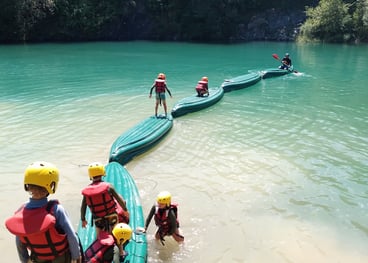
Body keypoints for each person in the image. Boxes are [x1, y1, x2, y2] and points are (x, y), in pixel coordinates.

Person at [5, 161, 82, 263]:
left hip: (38, 259)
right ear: (51, 185)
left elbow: (19, 242)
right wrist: (76, 256)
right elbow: (71, 236)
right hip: (61, 258)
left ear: (27, 185)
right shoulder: (56, 209)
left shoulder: (21, 212)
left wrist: (25, 260)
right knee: (76, 236)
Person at [80, 162, 129, 235]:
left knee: (99, 238)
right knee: (116, 234)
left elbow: (83, 207)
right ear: (102, 172)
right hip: (112, 216)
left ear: (90, 175)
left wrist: (83, 220)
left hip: (98, 219)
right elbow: (119, 199)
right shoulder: (109, 187)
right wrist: (125, 210)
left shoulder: (87, 192)